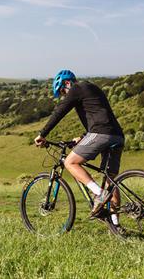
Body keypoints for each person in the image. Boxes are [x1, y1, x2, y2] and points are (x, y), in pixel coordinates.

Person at [34, 69, 124, 227]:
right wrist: (83, 137)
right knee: (110, 180)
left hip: (101, 133)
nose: (64, 95)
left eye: (62, 90)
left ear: (67, 83)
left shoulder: (76, 88)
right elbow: (98, 116)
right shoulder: (90, 89)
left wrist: (42, 134)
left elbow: (59, 111)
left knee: (70, 162)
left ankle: (99, 194)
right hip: (117, 135)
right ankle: (116, 226)